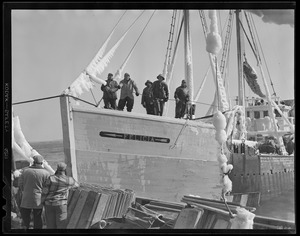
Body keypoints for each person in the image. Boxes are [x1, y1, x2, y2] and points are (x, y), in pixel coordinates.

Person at [42, 162, 79, 229]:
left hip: (49, 204)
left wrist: (42, 202)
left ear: (57, 169)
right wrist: (68, 187)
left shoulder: (50, 178)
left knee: (50, 225)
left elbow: (45, 192)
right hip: (61, 204)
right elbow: (77, 185)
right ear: (65, 169)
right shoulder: (69, 179)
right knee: (61, 225)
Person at [18, 155, 51, 229]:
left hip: (26, 198)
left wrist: (26, 190)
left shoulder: (25, 171)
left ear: (33, 162)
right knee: (38, 218)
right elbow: (47, 188)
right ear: (42, 163)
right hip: (38, 199)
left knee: (25, 219)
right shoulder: (46, 173)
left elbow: (20, 185)